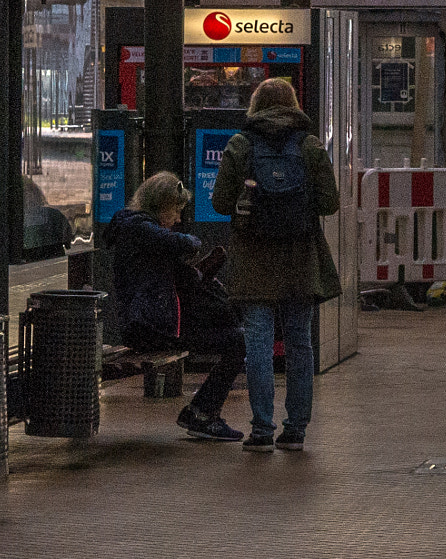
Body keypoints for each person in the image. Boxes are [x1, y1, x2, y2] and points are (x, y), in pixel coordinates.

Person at [211, 77, 341, 452]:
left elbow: (220, 204)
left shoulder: (241, 145)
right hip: (301, 258)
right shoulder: (310, 146)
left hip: (254, 259)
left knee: (258, 343)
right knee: (300, 343)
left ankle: (262, 430)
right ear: (293, 104)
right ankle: (296, 430)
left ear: (255, 105)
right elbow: (330, 203)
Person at [106, 171, 246, 442]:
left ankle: (203, 411)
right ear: (161, 205)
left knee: (234, 334)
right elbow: (185, 243)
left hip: (156, 322)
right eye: (176, 211)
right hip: (150, 327)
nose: (178, 219)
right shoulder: (138, 228)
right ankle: (203, 413)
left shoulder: (141, 231)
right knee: (237, 342)